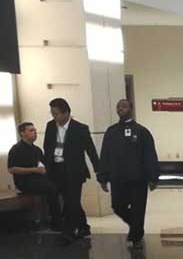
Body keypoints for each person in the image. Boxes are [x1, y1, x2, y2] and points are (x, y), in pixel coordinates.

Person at [98, 99, 159, 250]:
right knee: (117, 206)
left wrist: (153, 177)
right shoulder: (111, 132)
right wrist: (103, 177)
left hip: (138, 179)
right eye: (118, 107)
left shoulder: (142, 131)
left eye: (124, 106)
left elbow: (150, 155)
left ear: (131, 109)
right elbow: (105, 155)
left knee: (138, 209)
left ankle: (136, 237)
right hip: (117, 178)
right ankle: (136, 227)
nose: (121, 109)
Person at [42, 98, 99, 241]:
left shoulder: (80, 129)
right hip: (56, 169)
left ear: (66, 113)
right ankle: (84, 227)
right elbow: (47, 147)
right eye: (52, 114)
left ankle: (68, 232)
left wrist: (99, 170)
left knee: (71, 201)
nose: (54, 117)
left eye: (56, 114)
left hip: (74, 171)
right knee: (71, 201)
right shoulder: (50, 126)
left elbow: (90, 150)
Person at [7, 122, 62, 230]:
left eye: (35, 130)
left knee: (59, 184)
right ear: (22, 133)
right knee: (52, 189)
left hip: (39, 178)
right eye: (31, 130)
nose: (35, 132)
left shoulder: (37, 150)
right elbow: (12, 169)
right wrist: (34, 170)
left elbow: (42, 165)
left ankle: (60, 218)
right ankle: (55, 221)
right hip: (24, 181)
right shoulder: (16, 149)